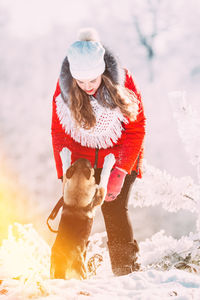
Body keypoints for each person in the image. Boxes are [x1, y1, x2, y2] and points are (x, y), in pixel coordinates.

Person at [51, 28, 146, 276]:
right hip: (83, 161)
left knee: (113, 208)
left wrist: (121, 170)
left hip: (120, 156)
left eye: (92, 80)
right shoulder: (65, 91)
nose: (87, 86)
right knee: (74, 215)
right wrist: (64, 176)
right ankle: (64, 274)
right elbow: (58, 132)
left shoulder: (124, 83)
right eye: (80, 82)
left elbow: (136, 130)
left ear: (103, 72)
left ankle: (126, 272)